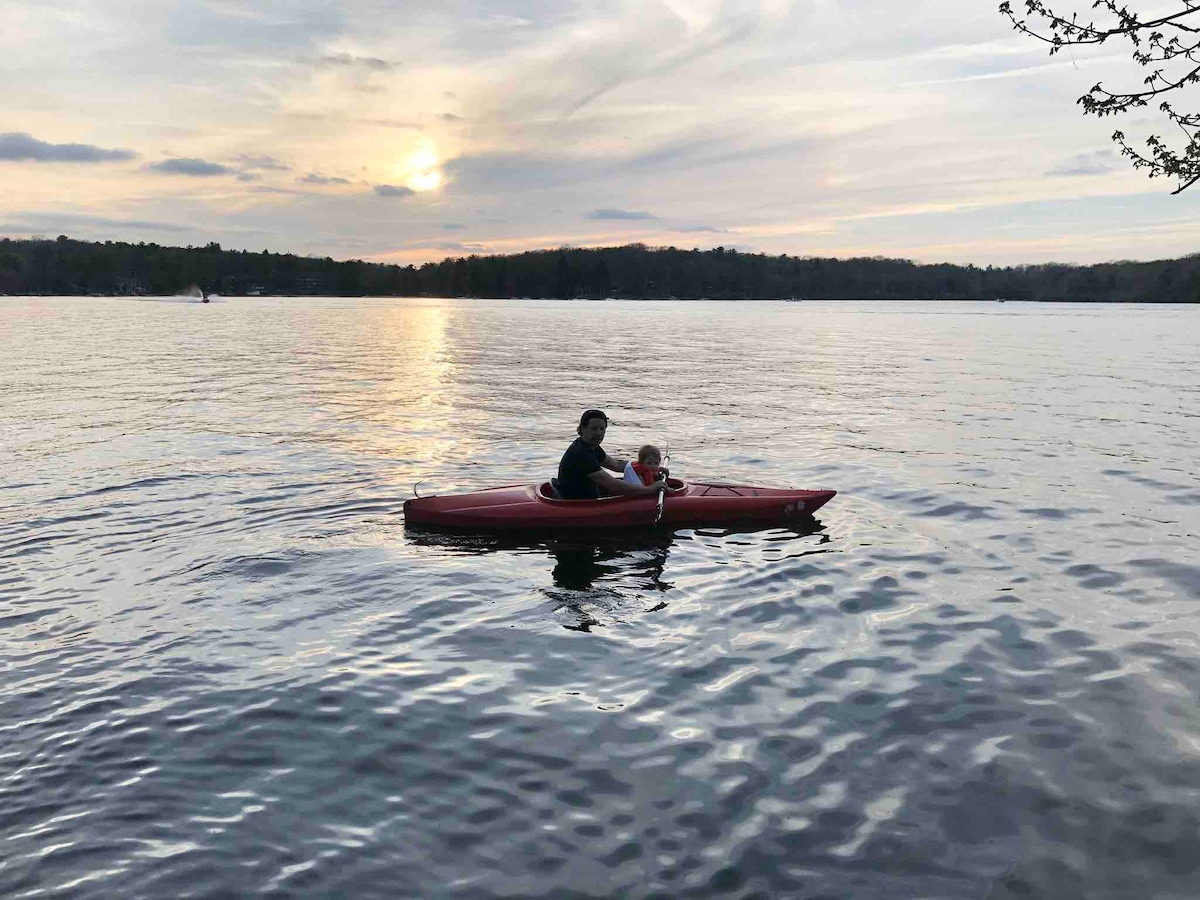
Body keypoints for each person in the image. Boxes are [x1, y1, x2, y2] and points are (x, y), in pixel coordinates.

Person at [555, 410, 671, 500]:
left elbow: (616, 465)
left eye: (602, 429)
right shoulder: (580, 454)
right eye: (594, 428)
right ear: (582, 429)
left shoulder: (590, 446)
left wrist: (650, 467)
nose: (599, 433)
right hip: (578, 504)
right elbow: (613, 485)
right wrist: (650, 489)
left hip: (587, 495)